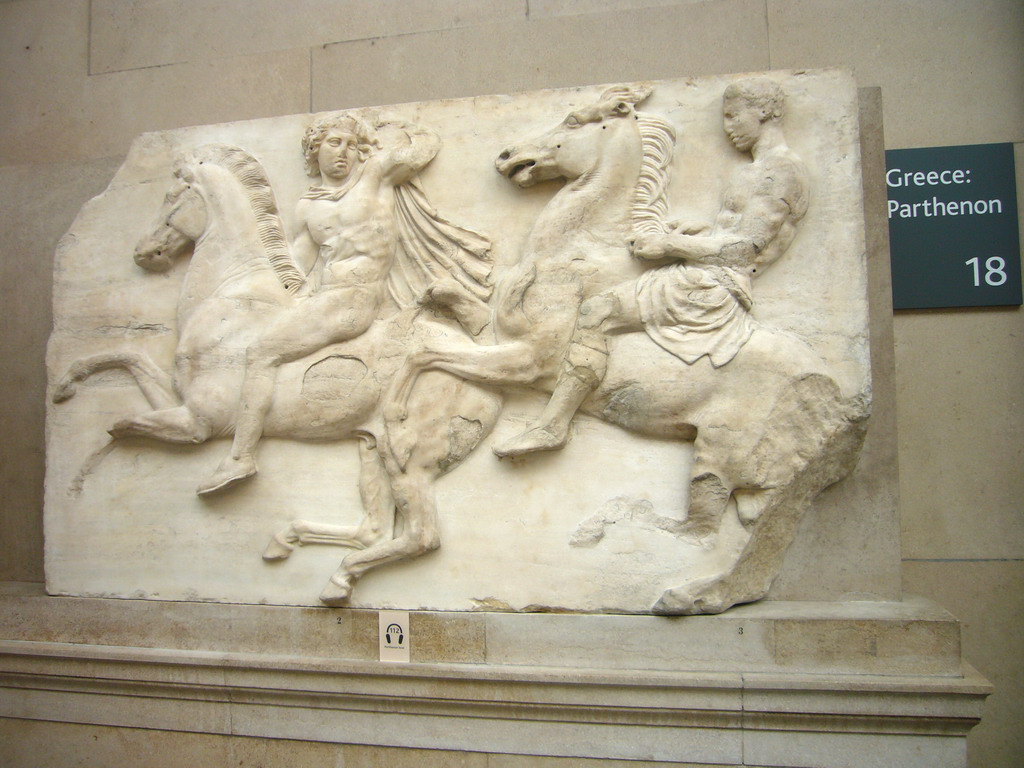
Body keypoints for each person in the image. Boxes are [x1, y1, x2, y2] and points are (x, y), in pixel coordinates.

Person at [494, 76, 810, 457]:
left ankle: (553, 425)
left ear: (762, 111)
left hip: (712, 286)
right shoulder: (753, 170)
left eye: (733, 116)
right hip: (705, 272)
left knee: (596, 311)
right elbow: (733, 233)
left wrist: (669, 243)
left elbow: (745, 250)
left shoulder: (779, 171)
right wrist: (696, 231)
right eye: (725, 117)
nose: (728, 127)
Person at [197, 112, 442, 494]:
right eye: (333, 143)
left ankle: (241, 457)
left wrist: (383, 124)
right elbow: (297, 266)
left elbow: (425, 147)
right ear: (315, 151)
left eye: (350, 144)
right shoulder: (308, 207)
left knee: (261, 352)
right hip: (324, 297)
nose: (342, 152)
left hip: (354, 300)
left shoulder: (374, 176)